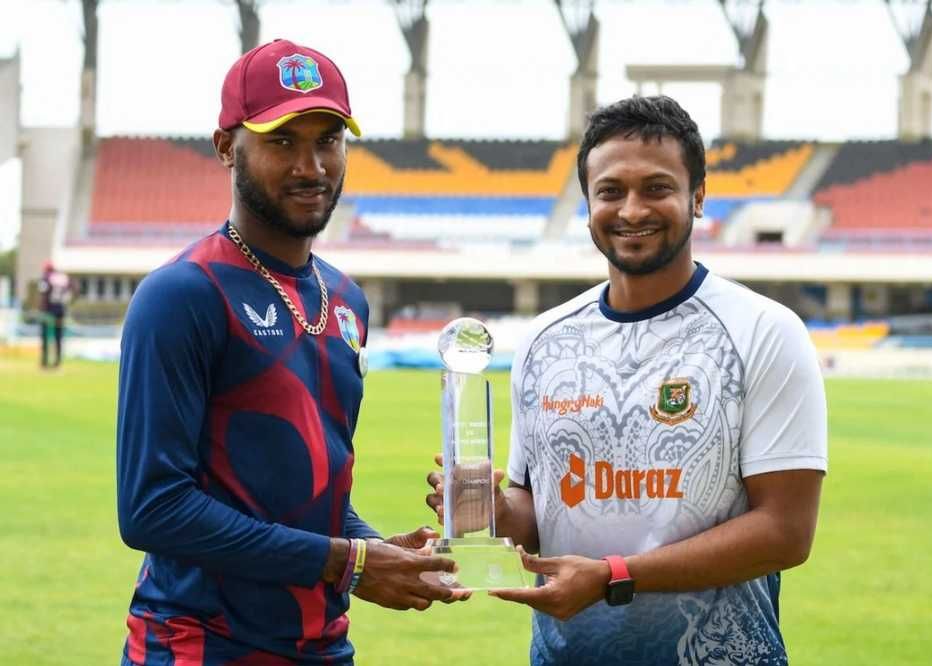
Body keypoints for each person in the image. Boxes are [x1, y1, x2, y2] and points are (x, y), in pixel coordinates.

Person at [427, 96, 827, 665]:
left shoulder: (762, 331)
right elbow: (538, 510)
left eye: (657, 188)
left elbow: (785, 532)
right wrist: (486, 510)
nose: (632, 209)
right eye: (611, 191)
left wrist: (615, 576)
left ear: (698, 196)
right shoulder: (546, 340)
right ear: (587, 203)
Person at [117, 39, 460, 665]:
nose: (311, 166)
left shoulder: (348, 299)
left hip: (323, 648)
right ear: (227, 146)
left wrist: (374, 548)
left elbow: (295, 489)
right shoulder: (182, 295)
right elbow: (152, 509)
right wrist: (348, 561)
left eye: (328, 140)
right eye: (281, 142)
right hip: (200, 646)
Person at [36, 260, 72, 368]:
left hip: (48, 310)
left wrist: (42, 308)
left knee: (45, 335)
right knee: (58, 336)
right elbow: (73, 289)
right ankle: (57, 362)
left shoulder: (46, 277)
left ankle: (45, 361)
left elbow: (44, 293)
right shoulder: (63, 278)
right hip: (60, 309)